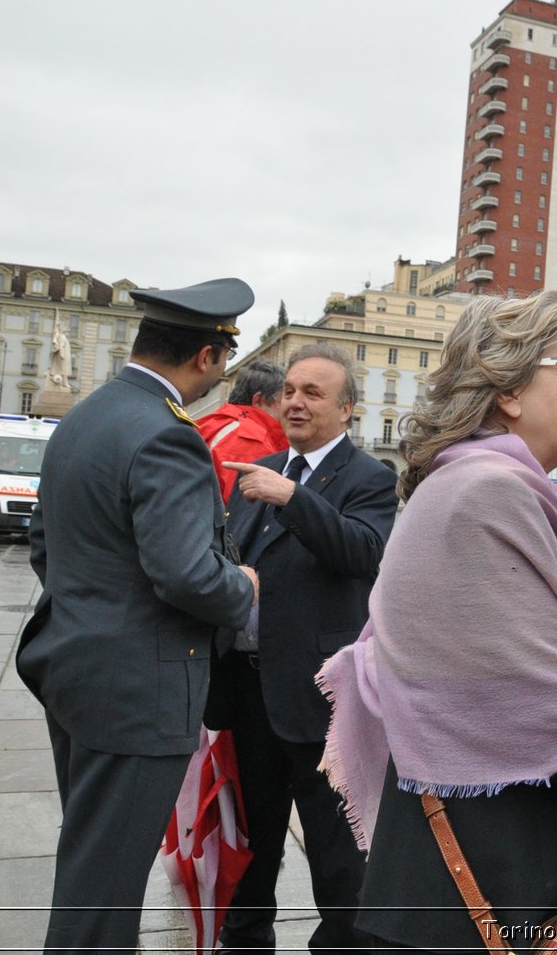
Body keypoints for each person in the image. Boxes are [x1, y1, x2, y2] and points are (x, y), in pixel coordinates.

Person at [317, 292, 557, 951]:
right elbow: (536, 707)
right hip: (479, 896)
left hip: (454, 890)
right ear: (510, 389)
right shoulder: (488, 491)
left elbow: (505, 692)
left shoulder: (463, 484)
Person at [15, 278, 260, 953]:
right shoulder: (165, 432)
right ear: (209, 357)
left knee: (91, 864)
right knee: (104, 891)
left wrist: (96, 609)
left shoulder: (89, 414)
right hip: (137, 694)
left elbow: (46, 543)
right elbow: (185, 573)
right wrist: (242, 586)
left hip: (75, 671)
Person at [205, 344, 398, 952]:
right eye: (289, 390)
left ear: (347, 410)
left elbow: (364, 551)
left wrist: (294, 499)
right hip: (246, 692)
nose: (295, 401)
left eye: (313, 393)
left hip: (320, 699)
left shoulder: (369, 477)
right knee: (250, 849)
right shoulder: (257, 468)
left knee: (339, 858)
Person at [196, 357, 288, 502]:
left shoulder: (215, 425)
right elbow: (247, 512)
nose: (290, 407)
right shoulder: (249, 440)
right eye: (285, 398)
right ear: (258, 400)